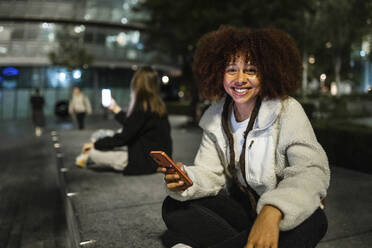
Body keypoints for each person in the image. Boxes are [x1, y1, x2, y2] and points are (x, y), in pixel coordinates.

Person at [158, 26, 330, 248]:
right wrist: (186, 179)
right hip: (243, 214)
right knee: (173, 206)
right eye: (231, 70)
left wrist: (274, 209)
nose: (240, 79)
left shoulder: (287, 110)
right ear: (218, 73)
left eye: (250, 70)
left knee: (315, 220)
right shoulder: (215, 116)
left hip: (281, 214)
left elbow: (311, 171)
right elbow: (209, 172)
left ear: (267, 72)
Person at [76, 66, 172, 174]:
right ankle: (89, 152)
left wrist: (95, 145)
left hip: (141, 160)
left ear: (137, 85)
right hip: (150, 155)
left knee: (94, 152)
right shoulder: (157, 107)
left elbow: (123, 138)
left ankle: (87, 155)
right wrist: (115, 108)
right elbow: (132, 126)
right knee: (99, 135)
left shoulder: (142, 109)